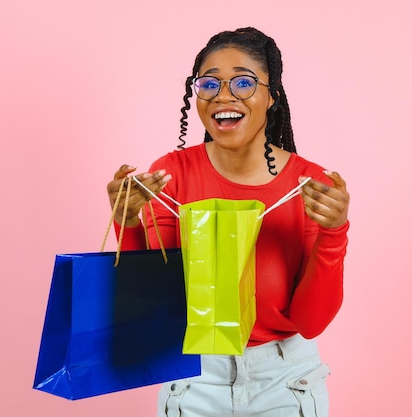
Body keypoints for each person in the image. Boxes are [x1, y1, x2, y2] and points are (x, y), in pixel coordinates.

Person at [106, 27, 350, 417]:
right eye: (209, 83)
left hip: (285, 380)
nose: (223, 95)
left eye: (242, 82)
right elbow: (150, 306)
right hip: (193, 373)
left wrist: (334, 232)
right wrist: (127, 221)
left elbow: (311, 321)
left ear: (272, 96)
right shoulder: (171, 175)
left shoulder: (311, 186)